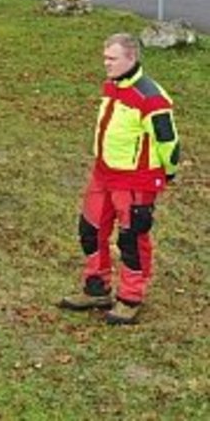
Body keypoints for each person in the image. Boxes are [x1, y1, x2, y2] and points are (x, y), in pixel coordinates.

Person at [60, 33, 180, 325]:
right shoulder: (112, 86)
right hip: (103, 173)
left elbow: (168, 141)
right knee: (90, 229)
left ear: (131, 58)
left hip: (135, 181)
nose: (106, 64)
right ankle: (96, 288)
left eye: (112, 59)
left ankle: (130, 298)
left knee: (132, 238)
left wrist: (167, 172)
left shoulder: (151, 98)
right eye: (105, 58)